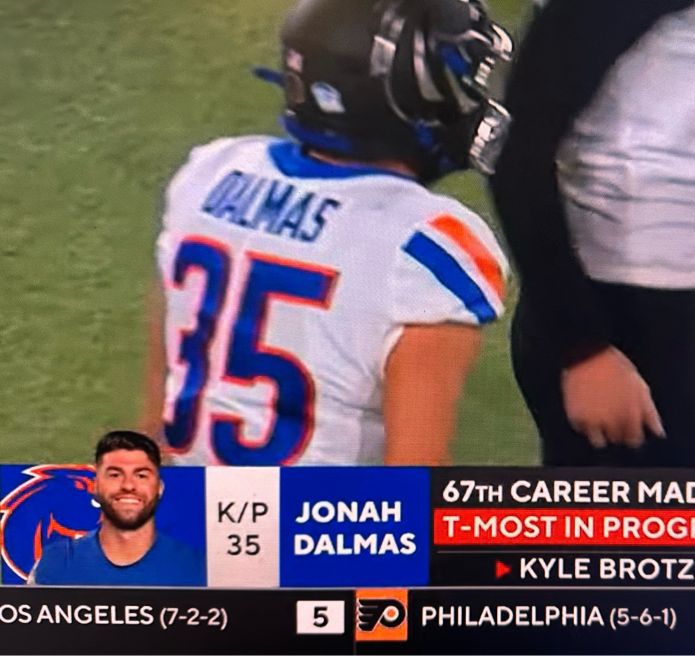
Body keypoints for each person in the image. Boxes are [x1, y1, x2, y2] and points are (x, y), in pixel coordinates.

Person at [140, 0, 512, 466]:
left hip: (181, 512)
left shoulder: (210, 175)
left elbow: (155, 404)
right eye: (454, 81)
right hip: (312, 530)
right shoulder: (429, 247)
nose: (467, 99)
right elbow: (412, 483)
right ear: (399, 100)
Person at [489, 0, 695, 467]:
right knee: (644, 534)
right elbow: (518, 149)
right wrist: (584, 350)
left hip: (674, 307)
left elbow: (685, 63)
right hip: (621, 313)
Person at [28, 431, 204, 586]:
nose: (128, 485)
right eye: (115, 475)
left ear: (159, 488)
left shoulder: (194, 568)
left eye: (141, 475)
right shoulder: (56, 563)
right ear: (95, 486)